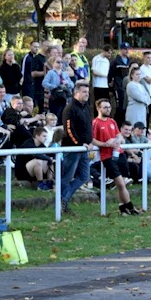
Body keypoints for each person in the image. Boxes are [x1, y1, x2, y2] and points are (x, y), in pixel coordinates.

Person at [92, 99, 140, 215]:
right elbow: (93, 140)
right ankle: (131, 207)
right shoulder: (95, 123)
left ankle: (122, 208)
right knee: (120, 184)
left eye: (109, 107)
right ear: (99, 108)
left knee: (122, 184)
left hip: (119, 153)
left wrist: (114, 140)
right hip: (107, 156)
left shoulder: (112, 121)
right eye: (105, 107)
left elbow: (120, 137)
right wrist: (104, 144)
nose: (108, 109)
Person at [60, 81, 98, 215]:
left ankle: (63, 199)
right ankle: (63, 203)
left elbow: (88, 127)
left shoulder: (86, 107)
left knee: (84, 176)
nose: (86, 94)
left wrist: (90, 141)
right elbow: (69, 129)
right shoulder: (70, 108)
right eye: (84, 92)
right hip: (72, 149)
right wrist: (79, 143)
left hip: (85, 148)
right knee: (67, 177)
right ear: (76, 93)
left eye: (88, 92)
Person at [15, 127, 54, 191]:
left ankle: (49, 183)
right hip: (23, 171)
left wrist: (52, 159)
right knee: (37, 161)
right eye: (44, 136)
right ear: (37, 136)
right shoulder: (28, 143)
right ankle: (40, 185)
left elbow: (49, 154)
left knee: (51, 161)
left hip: (35, 170)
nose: (46, 138)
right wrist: (48, 159)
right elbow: (36, 154)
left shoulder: (42, 146)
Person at [112, 43, 131, 123]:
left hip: (128, 87)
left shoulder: (129, 61)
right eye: (125, 49)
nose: (127, 51)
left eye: (127, 49)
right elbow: (111, 74)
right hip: (119, 86)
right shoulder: (115, 61)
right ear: (120, 50)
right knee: (120, 107)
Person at [30, 40, 50, 113]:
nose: (48, 48)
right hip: (40, 89)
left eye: (49, 46)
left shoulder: (49, 58)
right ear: (42, 47)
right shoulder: (37, 58)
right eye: (46, 46)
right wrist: (46, 73)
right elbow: (33, 73)